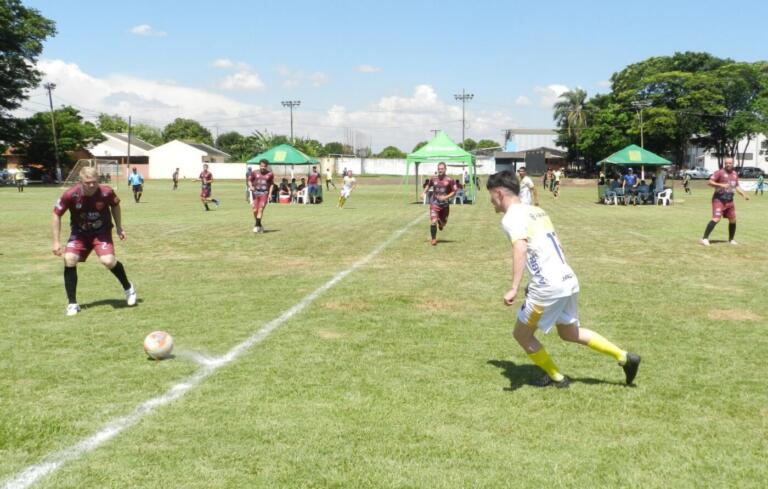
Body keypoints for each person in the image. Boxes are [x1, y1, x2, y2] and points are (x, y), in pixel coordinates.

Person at [486, 170, 641, 387]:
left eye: (491, 195)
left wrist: (514, 287)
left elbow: (520, 247)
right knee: (570, 332)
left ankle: (557, 377)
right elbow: (555, 244)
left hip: (548, 285)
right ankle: (624, 357)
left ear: (499, 193)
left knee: (522, 335)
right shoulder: (537, 211)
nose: (491, 201)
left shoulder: (510, 217)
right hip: (567, 278)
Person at [52, 166, 137, 316]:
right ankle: (72, 304)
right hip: (79, 234)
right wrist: (56, 242)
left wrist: (119, 227)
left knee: (108, 261)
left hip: (101, 233)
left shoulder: (106, 192)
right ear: (81, 181)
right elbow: (56, 214)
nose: (92, 185)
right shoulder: (70, 194)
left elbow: (115, 206)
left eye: (94, 182)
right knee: (69, 259)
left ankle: (128, 288)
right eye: (88, 182)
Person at [700, 157, 749, 246]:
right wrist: (721, 185)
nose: (728, 164)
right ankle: (704, 238)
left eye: (730, 163)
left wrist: (743, 194)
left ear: (733, 164)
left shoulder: (734, 174)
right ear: (724, 163)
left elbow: (736, 186)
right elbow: (710, 182)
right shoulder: (719, 172)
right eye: (726, 163)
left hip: (729, 201)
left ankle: (731, 240)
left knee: (733, 220)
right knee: (716, 218)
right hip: (719, 200)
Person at [422, 162, 457, 246]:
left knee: (443, 224)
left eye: (442, 169)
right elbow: (428, 185)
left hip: (445, 205)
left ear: (445, 169)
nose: (440, 170)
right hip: (435, 203)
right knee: (433, 221)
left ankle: (441, 224)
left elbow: (454, 191)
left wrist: (445, 197)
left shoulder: (450, 180)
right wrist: (423, 192)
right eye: (439, 169)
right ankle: (433, 239)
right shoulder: (433, 178)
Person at [248, 159, 274, 233]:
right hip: (255, 193)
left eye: (264, 166)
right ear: (259, 165)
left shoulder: (270, 174)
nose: (263, 167)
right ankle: (259, 225)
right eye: (261, 166)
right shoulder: (254, 172)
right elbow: (249, 180)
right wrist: (250, 186)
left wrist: (270, 194)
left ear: (267, 166)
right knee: (254, 210)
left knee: (260, 209)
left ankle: (256, 226)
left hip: (264, 194)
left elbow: (272, 184)